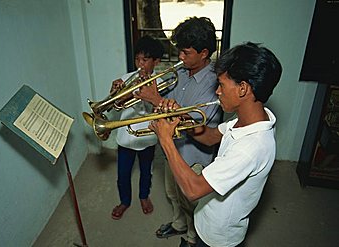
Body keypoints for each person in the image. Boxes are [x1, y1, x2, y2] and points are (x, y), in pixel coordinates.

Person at [148, 42, 283, 247]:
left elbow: (193, 189)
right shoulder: (251, 119)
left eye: (221, 85)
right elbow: (210, 136)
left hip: (216, 237)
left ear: (243, 88)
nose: (217, 92)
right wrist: (181, 116)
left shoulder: (251, 147)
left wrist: (165, 140)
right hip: (207, 215)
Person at [134, 17, 223, 247]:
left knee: (191, 202)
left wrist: (155, 99)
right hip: (170, 147)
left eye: (185, 52)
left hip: (193, 157)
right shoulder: (183, 71)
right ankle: (179, 224)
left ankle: (192, 238)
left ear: (204, 53)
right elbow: (165, 94)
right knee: (172, 194)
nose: (180, 58)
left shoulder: (215, 84)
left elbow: (194, 124)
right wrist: (144, 83)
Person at [110, 35, 164, 220]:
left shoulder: (161, 82)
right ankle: (124, 201)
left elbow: (159, 110)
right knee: (122, 174)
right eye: (137, 59)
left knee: (146, 171)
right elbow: (115, 107)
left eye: (145, 60)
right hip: (126, 136)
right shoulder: (126, 78)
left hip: (147, 136)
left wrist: (148, 94)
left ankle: (143, 196)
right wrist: (116, 95)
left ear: (156, 61)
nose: (140, 64)